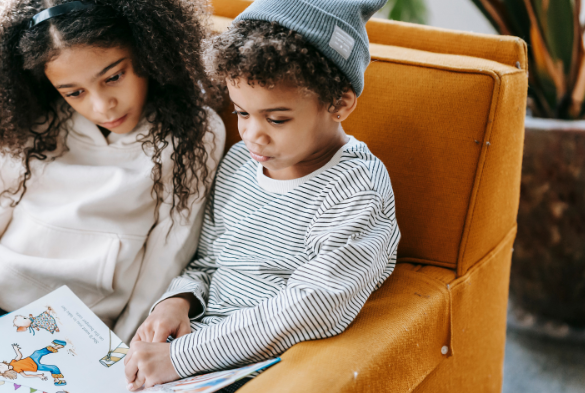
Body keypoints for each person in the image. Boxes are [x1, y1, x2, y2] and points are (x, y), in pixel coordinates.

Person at [0, 0, 224, 391]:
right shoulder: (31, 117)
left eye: (113, 77)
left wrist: (117, 358)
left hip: (67, 335)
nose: (101, 105)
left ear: (146, 48)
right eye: (74, 92)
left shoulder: (194, 133)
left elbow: (167, 256)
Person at [124, 0, 400, 391]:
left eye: (276, 119)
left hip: (256, 369)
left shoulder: (357, 188)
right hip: (191, 349)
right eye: (241, 113)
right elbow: (209, 261)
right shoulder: (240, 162)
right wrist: (177, 301)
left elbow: (314, 306)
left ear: (339, 102)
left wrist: (181, 358)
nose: (253, 135)